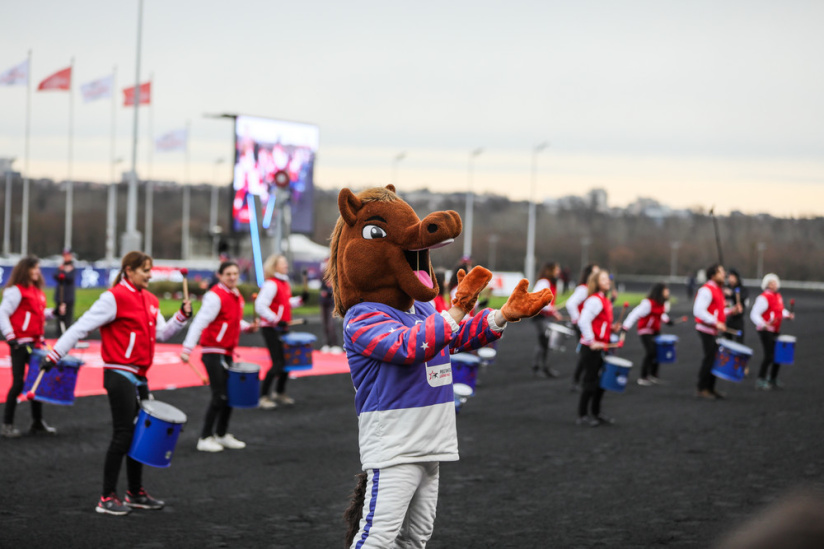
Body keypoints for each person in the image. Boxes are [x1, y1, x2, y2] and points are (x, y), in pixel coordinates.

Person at [44, 251, 192, 516]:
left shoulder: (150, 300)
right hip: (119, 373)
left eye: (150, 270)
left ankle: (135, 493)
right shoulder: (113, 298)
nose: (149, 275)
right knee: (123, 434)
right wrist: (54, 355)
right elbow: (80, 327)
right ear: (129, 271)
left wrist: (181, 317)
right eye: (145, 270)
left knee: (139, 435)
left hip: (140, 376)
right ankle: (106, 497)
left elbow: (161, 333)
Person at [180, 260, 259, 452]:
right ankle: (205, 437)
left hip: (227, 352)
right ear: (220, 276)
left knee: (229, 396)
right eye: (228, 274)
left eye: (235, 273)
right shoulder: (215, 296)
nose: (232, 277)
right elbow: (199, 322)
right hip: (213, 352)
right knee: (220, 396)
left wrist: (247, 327)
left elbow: (232, 320)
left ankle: (221, 434)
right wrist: (187, 348)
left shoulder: (235, 294)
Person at [0, 256, 60, 437]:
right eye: (33, 268)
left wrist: (54, 312)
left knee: (37, 382)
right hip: (19, 344)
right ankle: (7, 424)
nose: (37, 272)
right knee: (18, 383)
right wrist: (10, 336)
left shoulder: (37, 292)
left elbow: (39, 314)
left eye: (38, 268)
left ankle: (37, 422)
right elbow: (2, 313)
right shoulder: (16, 291)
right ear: (24, 270)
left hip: (36, 344)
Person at [255, 254, 306, 409]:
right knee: (278, 363)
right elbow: (260, 305)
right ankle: (263, 396)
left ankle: (279, 392)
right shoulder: (271, 284)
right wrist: (275, 319)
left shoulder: (284, 282)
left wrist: (300, 300)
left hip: (281, 327)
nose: (286, 265)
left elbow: (284, 302)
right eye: (283, 263)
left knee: (286, 362)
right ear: (274, 266)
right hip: (271, 328)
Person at [576, 269, 619, 426]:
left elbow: (599, 324)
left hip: (601, 347)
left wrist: (611, 329)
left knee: (601, 382)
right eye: (603, 279)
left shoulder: (604, 300)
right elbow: (583, 321)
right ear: (596, 283)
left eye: (608, 278)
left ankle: (596, 413)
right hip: (591, 348)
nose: (608, 281)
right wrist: (591, 340)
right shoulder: (595, 300)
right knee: (590, 382)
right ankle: (583, 415)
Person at [693, 264, 741, 400]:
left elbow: (718, 312)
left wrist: (731, 311)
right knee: (709, 359)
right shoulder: (706, 290)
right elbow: (698, 311)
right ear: (712, 275)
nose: (724, 274)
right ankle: (702, 388)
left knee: (715, 360)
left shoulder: (718, 290)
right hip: (706, 329)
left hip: (713, 329)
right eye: (721, 272)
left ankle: (710, 388)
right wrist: (716, 322)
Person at [750, 273, 794, 390]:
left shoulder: (777, 296)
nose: (773, 284)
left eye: (775, 282)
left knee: (778, 355)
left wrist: (787, 315)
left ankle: (772, 378)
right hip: (765, 330)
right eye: (771, 283)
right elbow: (754, 314)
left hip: (775, 329)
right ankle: (761, 379)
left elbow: (780, 310)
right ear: (766, 284)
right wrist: (763, 324)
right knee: (769, 355)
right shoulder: (763, 298)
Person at [622, 283, 672, 386]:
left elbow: (661, 314)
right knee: (651, 352)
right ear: (660, 291)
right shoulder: (648, 303)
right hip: (645, 330)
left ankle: (653, 375)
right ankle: (643, 376)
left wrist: (667, 321)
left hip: (655, 330)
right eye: (666, 290)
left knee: (658, 351)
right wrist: (625, 326)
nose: (668, 292)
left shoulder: (663, 303)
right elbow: (635, 313)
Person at [566, 264, 599, 390]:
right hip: (583, 326)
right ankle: (577, 381)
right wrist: (577, 320)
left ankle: (581, 380)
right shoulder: (584, 289)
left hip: (588, 326)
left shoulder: (592, 290)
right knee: (586, 353)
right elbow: (570, 304)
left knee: (587, 353)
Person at [531, 262, 562, 377]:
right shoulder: (544, 282)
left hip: (544, 317)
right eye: (556, 269)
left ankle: (541, 366)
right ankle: (539, 367)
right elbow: (537, 299)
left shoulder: (550, 282)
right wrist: (551, 310)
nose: (558, 271)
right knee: (543, 342)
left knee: (545, 342)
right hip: (539, 316)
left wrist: (553, 312)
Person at [319, 257, 342, 353]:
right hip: (323, 302)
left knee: (332, 325)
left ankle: (336, 344)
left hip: (332, 303)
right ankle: (327, 344)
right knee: (325, 324)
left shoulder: (336, 274)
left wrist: (328, 292)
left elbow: (337, 290)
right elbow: (321, 288)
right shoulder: (323, 276)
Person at [54, 248, 76, 336]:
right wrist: (64, 271)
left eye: (68, 255)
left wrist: (64, 273)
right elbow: (56, 276)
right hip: (60, 297)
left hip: (69, 298)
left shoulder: (72, 267)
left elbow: (69, 278)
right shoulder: (61, 267)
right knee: (59, 319)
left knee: (68, 320)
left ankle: (67, 337)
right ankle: (58, 336)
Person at [723, 268, 748, 343]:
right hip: (728, 319)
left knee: (739, 342)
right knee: (727, 341)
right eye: (729, 277)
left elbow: (743, 298)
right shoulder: (726, 288)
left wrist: (732, 293)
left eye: (732, 277)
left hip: (738, 320)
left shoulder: (742, 289)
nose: (731, 279)